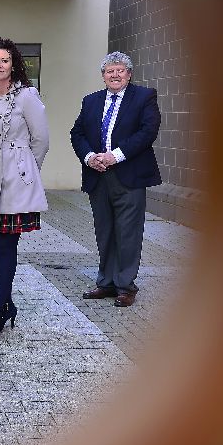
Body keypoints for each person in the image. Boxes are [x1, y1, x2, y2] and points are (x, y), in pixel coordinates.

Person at [0, 37, 49, 339]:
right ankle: (7, 302)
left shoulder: (27, 95)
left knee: (6, 245)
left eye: (4, 60)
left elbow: (41, 140)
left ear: (13, 63)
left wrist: (28, 172)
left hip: (16, 178)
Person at [70, 51, 162, 308]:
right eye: (109, 71)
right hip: (97, 175)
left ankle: (125, 285)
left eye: (120, 70)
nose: (115, 74)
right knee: (105, 231)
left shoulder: (144, 97)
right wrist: (90, 157)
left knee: (128, 232)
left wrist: (116, 156)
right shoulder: (90, 101)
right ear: (103, 76)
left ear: (129, 74)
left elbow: (148, 132)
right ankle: (106, 282)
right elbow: (76, 133)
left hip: (129, 174)